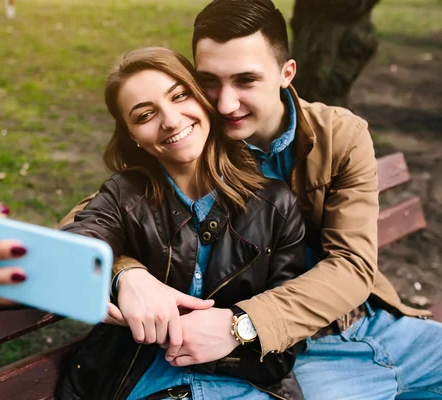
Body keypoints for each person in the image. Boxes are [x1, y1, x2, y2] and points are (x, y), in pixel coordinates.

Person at [58, 0, 442, 398]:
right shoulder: (194, 134)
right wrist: (126, 273)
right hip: (286, 352)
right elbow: (95, 217)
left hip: (349, 320)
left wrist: (241, 324)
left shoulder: (339, 136)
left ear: (286, 73)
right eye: (209, 81)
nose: (226, 103)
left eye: (246, 80)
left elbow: (352, 265)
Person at [0, 47, 308, 399]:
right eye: (145, 114)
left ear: (203, 100)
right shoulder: (124, 194)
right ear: (133, 136)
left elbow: (283, 345)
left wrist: (228, 338)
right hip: (139, 384)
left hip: (246, 388)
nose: (171, 121)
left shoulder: (276, 205)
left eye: (179, 96)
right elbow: (80, 241)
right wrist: (123, 276)